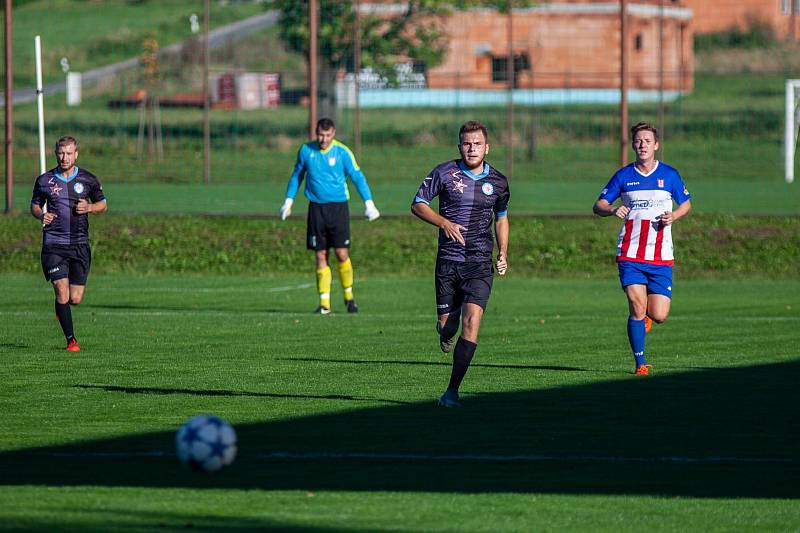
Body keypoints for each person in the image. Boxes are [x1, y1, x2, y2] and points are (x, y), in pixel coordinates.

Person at [411, 121, 510, 408]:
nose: (472, 148)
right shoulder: (444, 173)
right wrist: (443, 223)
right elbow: (417, 203)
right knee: (447, 326)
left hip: (479, 262)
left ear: (487, 147)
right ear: (459, 147)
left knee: (472, 322)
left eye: (477, 143)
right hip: (448, 263)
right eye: (466, 143)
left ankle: (452, 391)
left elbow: (502, 217)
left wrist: (503, 251)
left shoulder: (499, 182)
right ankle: (446, 325)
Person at [593, 122, 692, 375]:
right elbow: (599, 204)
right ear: (633, 145)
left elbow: (686, 204)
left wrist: (675, 216)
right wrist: (612, 209)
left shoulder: (669, 175)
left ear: (656, 145)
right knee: (636, 307)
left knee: (659, 315)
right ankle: (640, 363)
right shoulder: (623, 176)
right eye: (638, 141)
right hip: (630, 253)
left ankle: (647, 317)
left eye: (647, 140)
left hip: (661, 256)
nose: (642, 145)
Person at [279, 118, 380, 315]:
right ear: (315, 132)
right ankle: (324, 304)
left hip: (338, 208)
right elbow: (296, 176)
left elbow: (358, 177)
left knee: (342, 253)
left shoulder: (342, 152)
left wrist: (369, 204)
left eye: (327, 135)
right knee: (320, 255)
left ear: (333, 134)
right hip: (316, 209)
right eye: (320, 135)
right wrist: (288, 201)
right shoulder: (306, 151)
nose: (323, 139)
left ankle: (349, 297)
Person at [31, 136, 107, 351]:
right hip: (54, 244)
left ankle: (61, 308)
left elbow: (103, 204)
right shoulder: (45, 180)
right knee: (61, 292)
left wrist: (90, 208)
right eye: (60, 153)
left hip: (80, 244)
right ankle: (71, 341)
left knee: (75, 298)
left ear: (76, 154)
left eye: (68, 153)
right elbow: (35, 205)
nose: (64, 157)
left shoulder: (88, 180)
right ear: (56, 153)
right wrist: (40, 215)